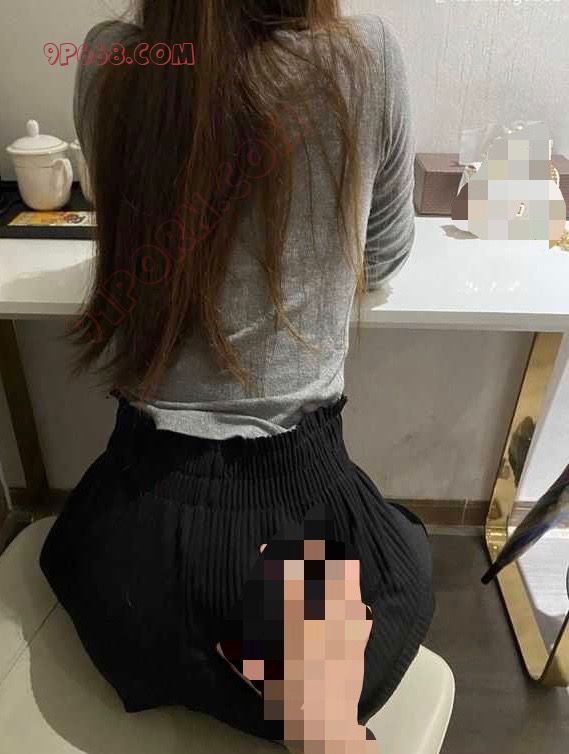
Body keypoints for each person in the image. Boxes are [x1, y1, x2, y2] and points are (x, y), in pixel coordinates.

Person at [39, 3, 434, 752]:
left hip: (133, 566)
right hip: (302, 547)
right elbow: (382, 256)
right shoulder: (366, 56)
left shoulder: (110, 58)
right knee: (405, 561)